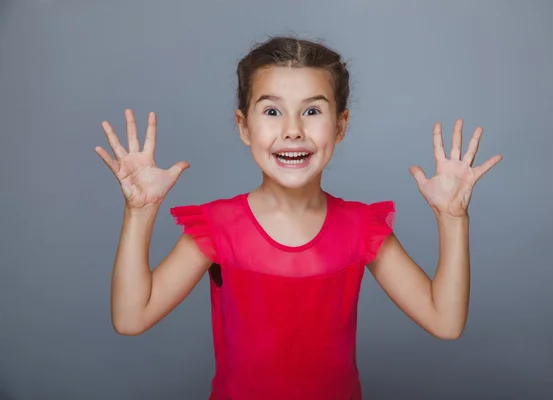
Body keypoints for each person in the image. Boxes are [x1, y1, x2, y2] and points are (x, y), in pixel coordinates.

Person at [95, 36, 502, 400]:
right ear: (243, 126)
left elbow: (445, 321)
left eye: (312, 112)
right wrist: (140, 211)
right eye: (272, 112)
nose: (292, 130)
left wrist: (453, 219)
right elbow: (132, 318)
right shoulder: (218, 228)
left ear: (341, 126)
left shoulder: (362, 228)